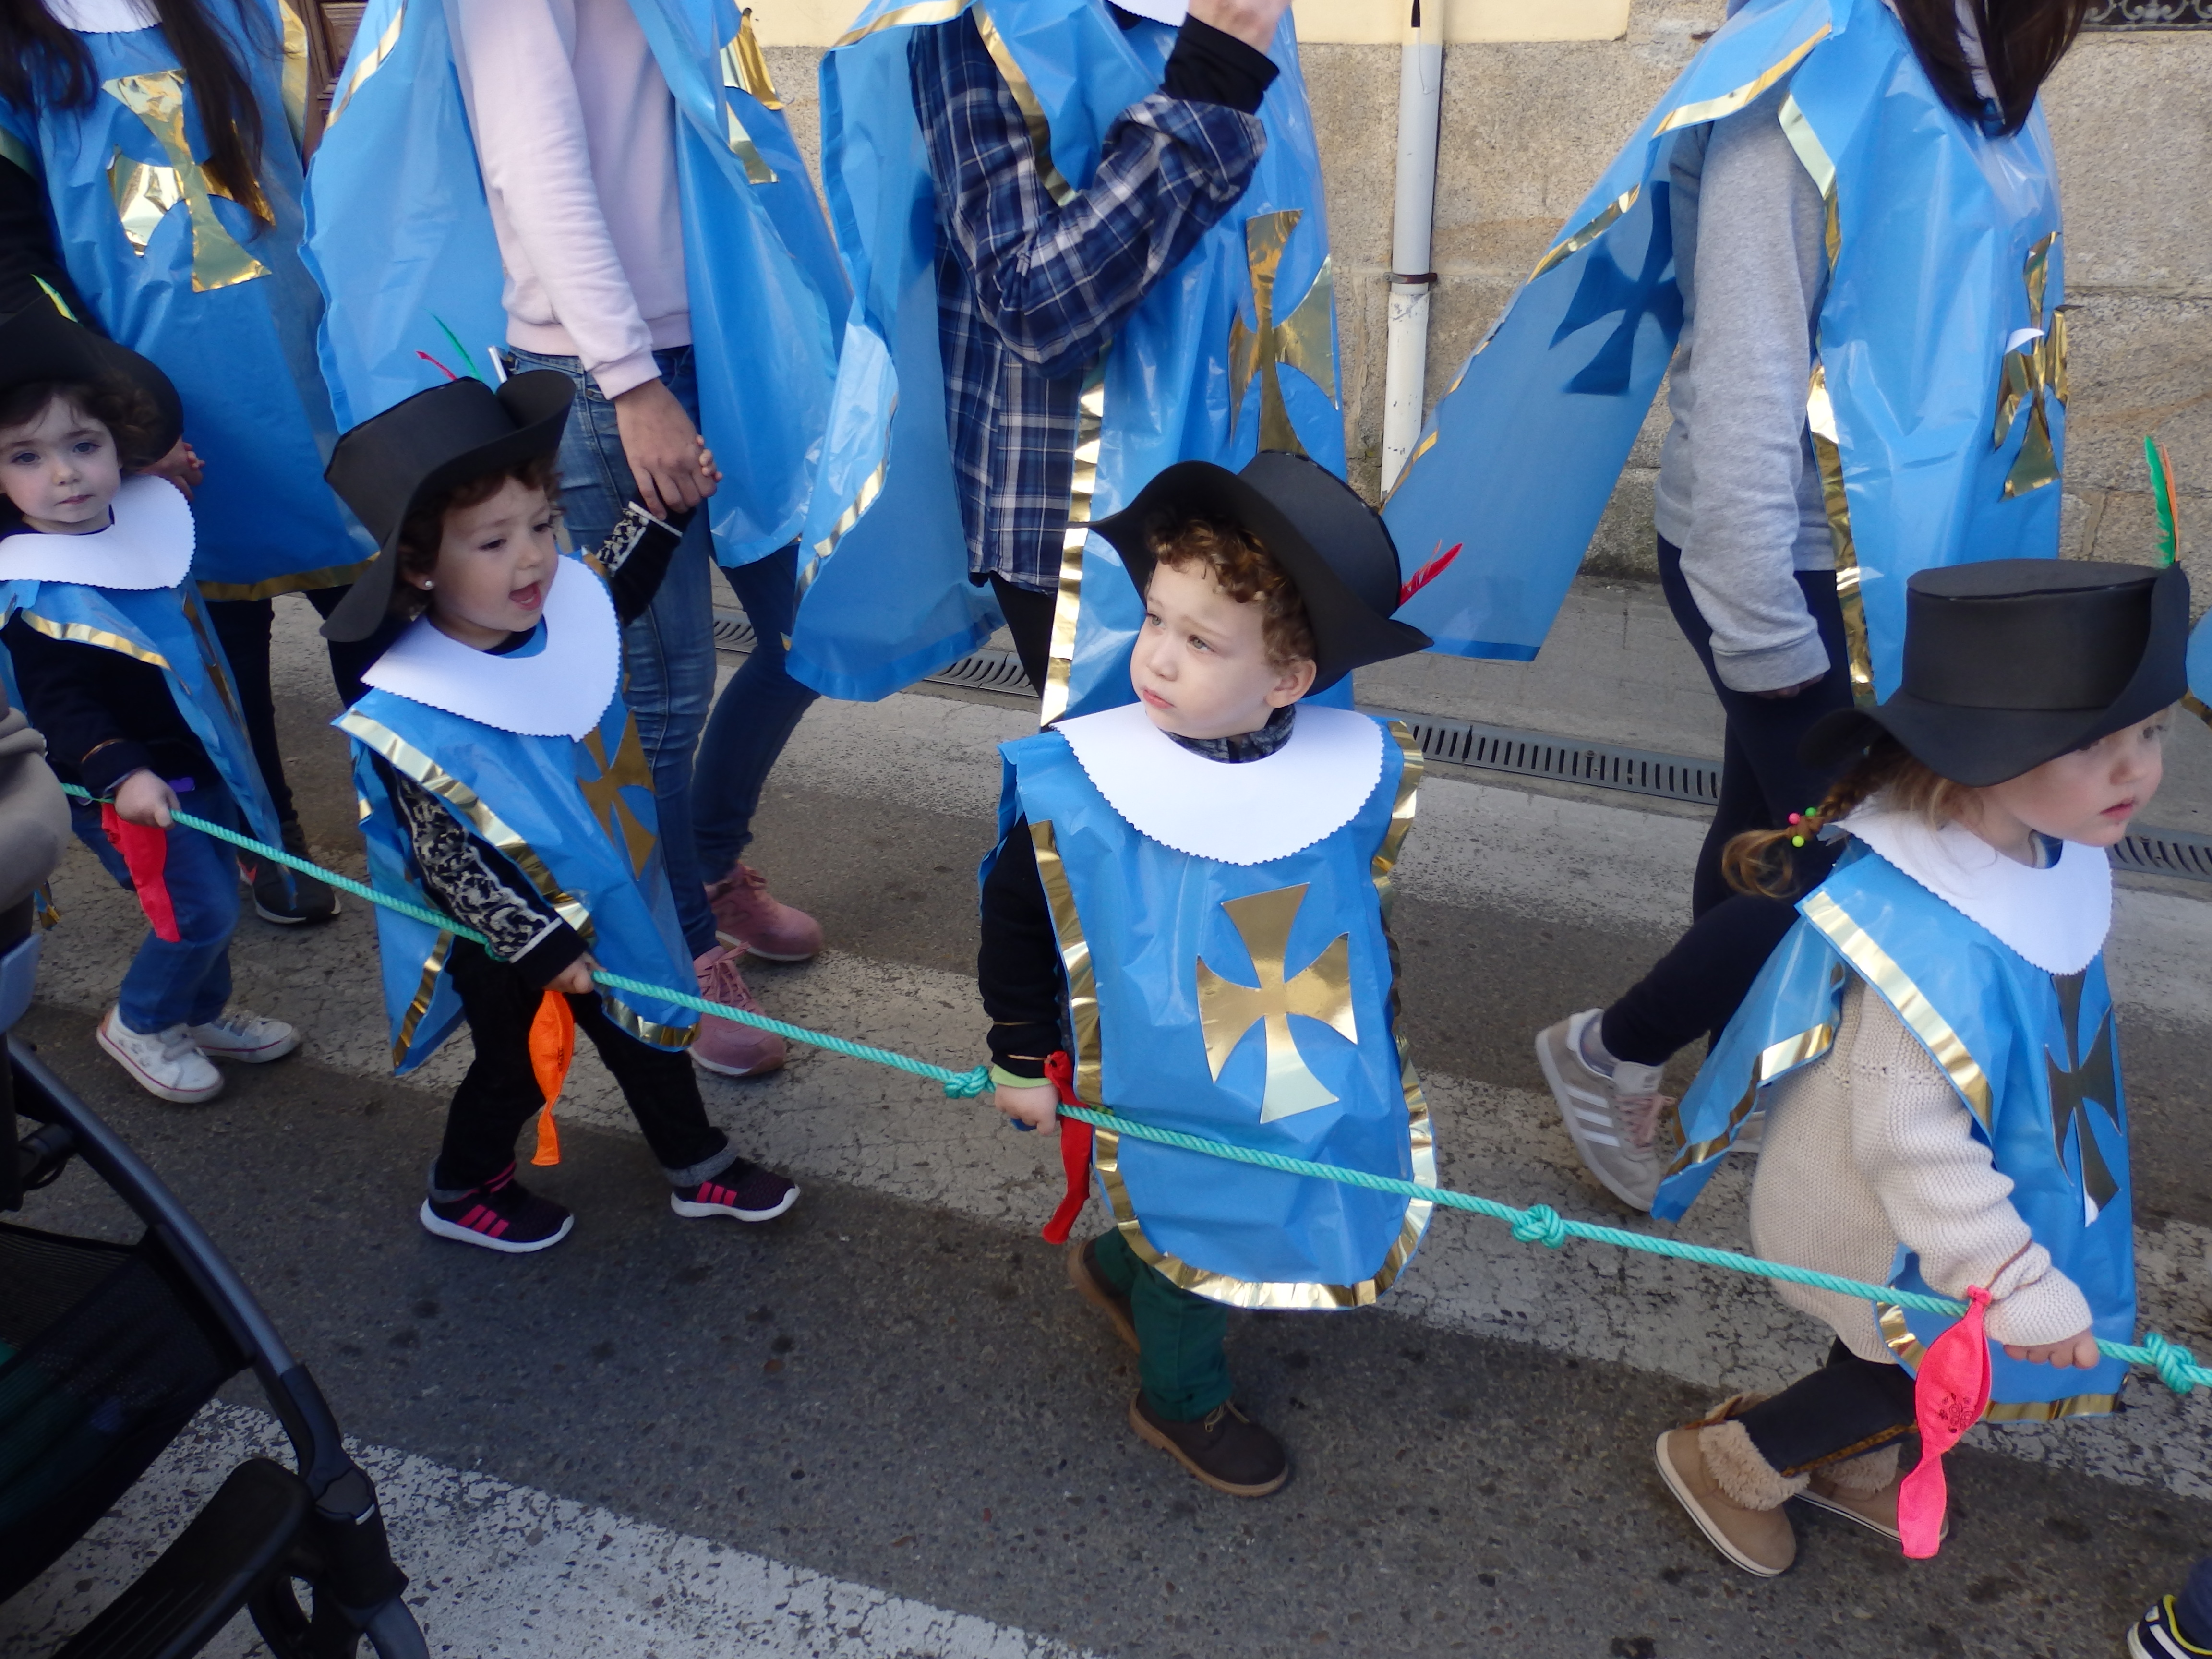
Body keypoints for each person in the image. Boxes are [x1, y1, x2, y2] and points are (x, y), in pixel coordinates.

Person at [1645, 558, 2184, 1577]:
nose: (2137, 771)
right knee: (1913, 1371)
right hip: (1885, 1220)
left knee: (1891, 1359)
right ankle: (1734, 1463)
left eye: (2150, 733)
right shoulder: (1925, 925)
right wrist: (2011, 1279)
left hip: (1961, 1201)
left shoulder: (2043, 849)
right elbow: (1906, 1139)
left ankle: (1850, 1467)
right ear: (1980, 757)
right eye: (2093, 744)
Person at [391, 0, 841, 1075]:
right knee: (659, 696)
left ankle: (710, 863)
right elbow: (534, 164)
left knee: (815, 632)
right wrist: (633, 383)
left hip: (733, 333)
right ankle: (682, 954)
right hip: (605, 371)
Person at [979, 452, 1437, 1495]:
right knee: (1207, 1221)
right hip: (1162, 1074)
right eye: (1154, 620)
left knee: (1260, 1187)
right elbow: (1016, 917)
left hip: (1295, 1045)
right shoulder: (1083, 780)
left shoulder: (1349, 770)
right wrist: (1019, 1054)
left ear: (1287, 681)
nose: (1157, 659)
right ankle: (1179, 1397)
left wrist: (1381, 1006)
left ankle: (1119, 1268)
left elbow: (1352, 908)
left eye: (1200, 642)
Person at [319, 372, 800, 1252]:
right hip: (511, 944)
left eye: (541, 526)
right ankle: (462, 1188)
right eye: (493, 541)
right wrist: (539, 945)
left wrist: (664, 509)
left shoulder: (558, 611)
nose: (534, 558)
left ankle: (697, 1165)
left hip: (610, 894)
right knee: (512, 1073)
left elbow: (614, 586)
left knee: (646, 1032)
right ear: (421, 568)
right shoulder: (412, 708)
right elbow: (449, 860)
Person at [785, 0, 1343, 717]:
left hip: (1242, 477)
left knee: (1244, 766)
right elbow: (1038, 311)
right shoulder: (985, 23)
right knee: (1113, 773)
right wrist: (1213, 78)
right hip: (1081, 514)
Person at [0, 0, 388, 927]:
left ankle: (417, 822)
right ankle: (267, 834)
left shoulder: (245, 12)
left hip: (309, 369)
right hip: (146, 405)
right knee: (215, 642)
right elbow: (14, 263)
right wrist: (122, 417)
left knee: (378, 618)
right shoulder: (14, 51)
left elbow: (335, 184)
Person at [0, 299, 298, 1101]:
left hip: (195, 758)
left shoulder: (139, 525)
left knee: (214, 896)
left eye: (84, 445)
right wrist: (121, 772)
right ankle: (142, 1020)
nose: (64, 474)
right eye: (26, 457)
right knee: (195, 912)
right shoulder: (32, 584)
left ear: (119, 445)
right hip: (121, 785)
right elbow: (59, 703)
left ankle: (198, 1013)